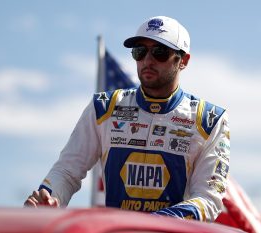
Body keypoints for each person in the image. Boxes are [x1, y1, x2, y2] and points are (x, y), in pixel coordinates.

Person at [24, 16, 230, 222]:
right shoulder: (104, 107)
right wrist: (49, 199)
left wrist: (152, 224)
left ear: (183, 61)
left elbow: (209, 199)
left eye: (159, 52)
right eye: (139, 51)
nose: (147, 60)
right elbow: (67, 171)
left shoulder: (208, 120)